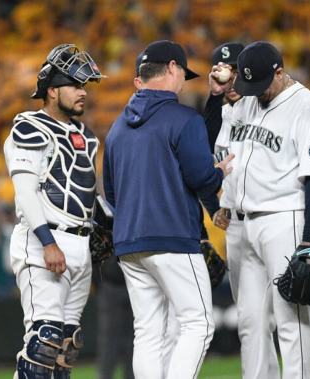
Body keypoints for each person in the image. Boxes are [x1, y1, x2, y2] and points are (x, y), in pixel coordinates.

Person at [102, 40, 234, 379]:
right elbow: (202, 179)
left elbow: (113, 195)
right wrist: (218, 172)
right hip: (173, 237)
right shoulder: (183, 117)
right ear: (173, 68)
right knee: (198, 323)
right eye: (182, 73)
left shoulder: (117, 128)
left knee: (147, 331)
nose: (183, 81)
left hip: (130, 243)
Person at [211, 40, 310, 378]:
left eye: (262, 84)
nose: (256, 92)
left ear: (280, 72)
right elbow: (225, 149)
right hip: (247, 223)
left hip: (284, 218)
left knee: (290, 321)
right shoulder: (248, 98)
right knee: (249, 322)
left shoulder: (307, 106)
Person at [3, 43, 107, 379]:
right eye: (75, 85)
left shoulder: (85, 136)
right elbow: (26, 192)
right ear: (51, 91)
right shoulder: (29, 127)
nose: (82, 93)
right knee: (43, 341)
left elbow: (86, 193)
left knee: (66, 347)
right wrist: (48, 242)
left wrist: (102, 226)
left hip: (78, 245)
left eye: (84, 86)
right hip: (42, 242)